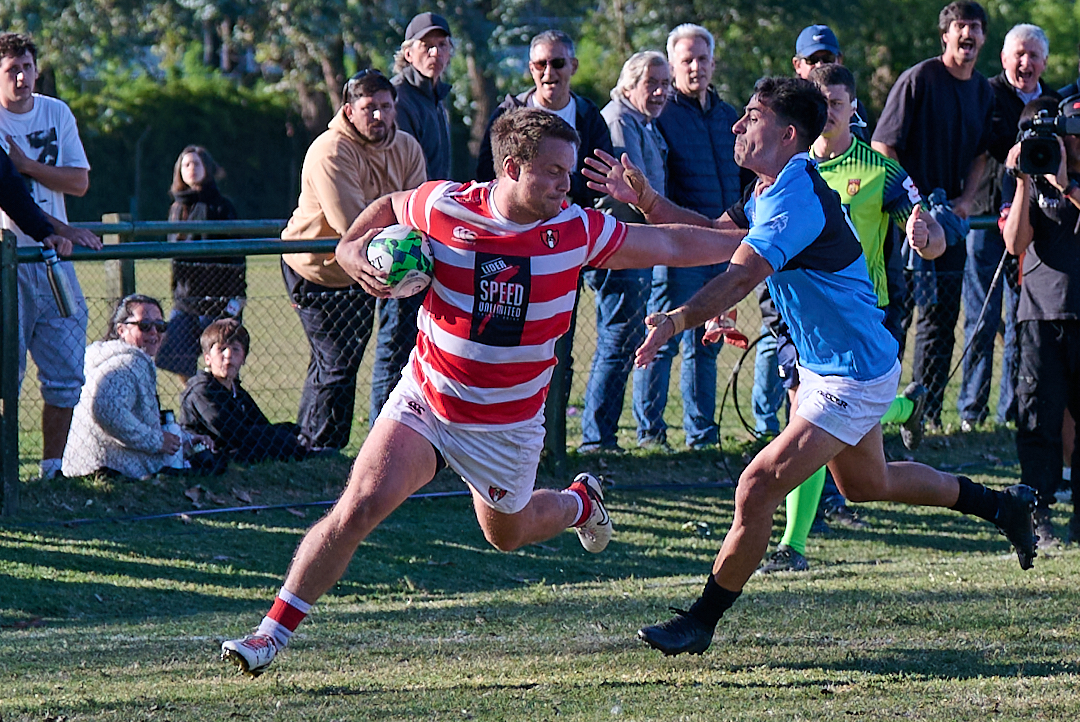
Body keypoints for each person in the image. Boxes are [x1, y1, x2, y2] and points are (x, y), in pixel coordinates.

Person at [219, 107, 748, 678]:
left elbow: (669, 244)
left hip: (509, 423)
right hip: (430, 397)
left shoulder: (575, 229)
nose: (565, 185)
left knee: (507, 534)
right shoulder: (446, 206)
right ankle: (269, 635)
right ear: (513, 166)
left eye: (568, 173)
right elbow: (391, 206)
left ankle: (578, 503)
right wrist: (349, 249)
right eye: (552, 172)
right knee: (359, 506)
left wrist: (759, 245)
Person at [583, 77, 1037, 657]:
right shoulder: (770, 189)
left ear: (788, 134)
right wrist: (645, 198)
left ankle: (700, 620)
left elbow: (742, 275)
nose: (737, 125)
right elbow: (715, 237)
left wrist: (678, 319)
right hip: (838, 365)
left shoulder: (794, 199)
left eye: (750, 115)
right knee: (871, 483)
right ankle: (1003, 505)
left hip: (852, 372)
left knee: (756, 486)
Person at [758, 63, 946, 573]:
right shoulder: (786, 168)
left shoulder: (881, 169)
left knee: (809, 420)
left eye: (837, 104)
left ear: (852, 108)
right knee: (826, 434)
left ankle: (792, 545)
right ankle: (904, 410)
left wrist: (927, 237)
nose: (829, 112)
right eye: (821, 103)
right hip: (794, 316)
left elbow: (931, 234)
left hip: (860, 320)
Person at [280, 69, 426, 451]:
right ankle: (322, 446)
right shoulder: (330, 149)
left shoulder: (408, 146)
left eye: (385, 107)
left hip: (365, 270)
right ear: (349, 110)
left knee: (340, 362)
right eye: (368, 108)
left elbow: (417, 210)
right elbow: (353, 225)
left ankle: (313, 442)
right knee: (336, 361)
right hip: (314, 267)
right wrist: (399, 233)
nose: (378, 116)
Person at [872, 2, 995, 429]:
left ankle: (927, 415)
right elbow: (883, 145)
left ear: (982, 38)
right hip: (904, 221)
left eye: (976, 28)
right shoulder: (920, 79)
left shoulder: (983, 90)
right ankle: (877, 414)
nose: (968, 34)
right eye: (961, 26)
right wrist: (908, 203)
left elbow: (983, 151)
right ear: (945, 35)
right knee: (897, 319)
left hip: (949, 224)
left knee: (943, 320)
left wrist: (966, 200)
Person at [0, 32, 101, 480]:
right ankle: (6, 474)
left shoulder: (56, 112)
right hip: (8, 263)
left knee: (65, 373)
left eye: (26, 67)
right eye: (10, 69)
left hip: (53, 259)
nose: (21, 77)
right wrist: (61, 228)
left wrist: (28, 166)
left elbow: (78, 183)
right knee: (6, 375)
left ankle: (51, 471)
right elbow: (12, 200)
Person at [635, 23, 741, 451]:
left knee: (708, 340)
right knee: (662, 339)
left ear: (713, 63)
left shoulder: (729, 116)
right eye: (686, 60)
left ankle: (701, 433)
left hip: (724, 246)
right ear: (674, 65)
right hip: (678, 247)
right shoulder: (663, 116)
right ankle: (649, 433)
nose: (695, 66)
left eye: (702, 58)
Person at [959, 25, 1058, 432]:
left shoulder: (1053, 103)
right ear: (1003, 59)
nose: (1026, 63)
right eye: (1019, 54)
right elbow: (980, 146)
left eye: (1034, 55)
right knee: (981, 318)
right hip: (986, 216)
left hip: (1033, 223)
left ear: (1045, 63)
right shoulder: (986, 94)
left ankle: (1012, 410)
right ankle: (971, 410)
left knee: (1022, 320)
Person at [578, 50, 670, 454]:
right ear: (628, 84)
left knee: (626, 335)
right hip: (621, 244)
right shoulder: (619, 120)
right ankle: (597, 439)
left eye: (665, 84)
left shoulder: (645, 123)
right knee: (617, 340)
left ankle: (605, 436)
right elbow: (633, 188)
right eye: (652, 83)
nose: (660, 92)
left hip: (638, 243)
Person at [1002, 96, 1080, 547]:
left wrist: (1066, 182)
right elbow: (1015, 244)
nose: (1058, 142)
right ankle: (1038, 516)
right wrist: (1022, 181)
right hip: (1039, 313)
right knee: (1038, 420)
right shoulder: (1030, 172)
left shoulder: (1073, 171)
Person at [373, 12, 455, 421]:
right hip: (408, 238)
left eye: (442, 45)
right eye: (427, 45)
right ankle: (379, 433)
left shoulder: (438, 96)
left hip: (438, 231)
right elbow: (402, 174)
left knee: (420, 338)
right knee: (396, 338)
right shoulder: (403, 99)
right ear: (407, 52)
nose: (436, 53)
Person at [62, 295, 213, 480]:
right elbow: (107, 410)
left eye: (160, 326)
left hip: (83, 465)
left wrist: (185, 439)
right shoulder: (127, 364)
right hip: (110, 469)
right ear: (121, 330)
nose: (154, 333)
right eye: (144, 326)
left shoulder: (101, 358)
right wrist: (157, 441)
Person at [155, 145, 242, 383]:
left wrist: (235, 300)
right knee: (177, 357)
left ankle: (220, 401)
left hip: (217, 300)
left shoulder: (221, 206)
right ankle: (197, 397)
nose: (191, 168)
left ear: (208, 168)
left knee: (221, 362)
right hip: (186, 301)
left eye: (196, 164)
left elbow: (236, 256)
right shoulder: (176, 208)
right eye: (186, 164)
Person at [180, 319, 315, 464]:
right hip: (205, 456)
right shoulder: (202, 391)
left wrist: (294, 430)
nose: (228, 355)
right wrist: (286, 437)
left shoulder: (235, 390)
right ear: (207, 358)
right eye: (221, 349)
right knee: (273, 444)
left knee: (276, 440)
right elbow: (232, 433)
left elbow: (261, 423)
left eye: (236, 349)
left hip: (235, 448)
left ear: (243, 358)